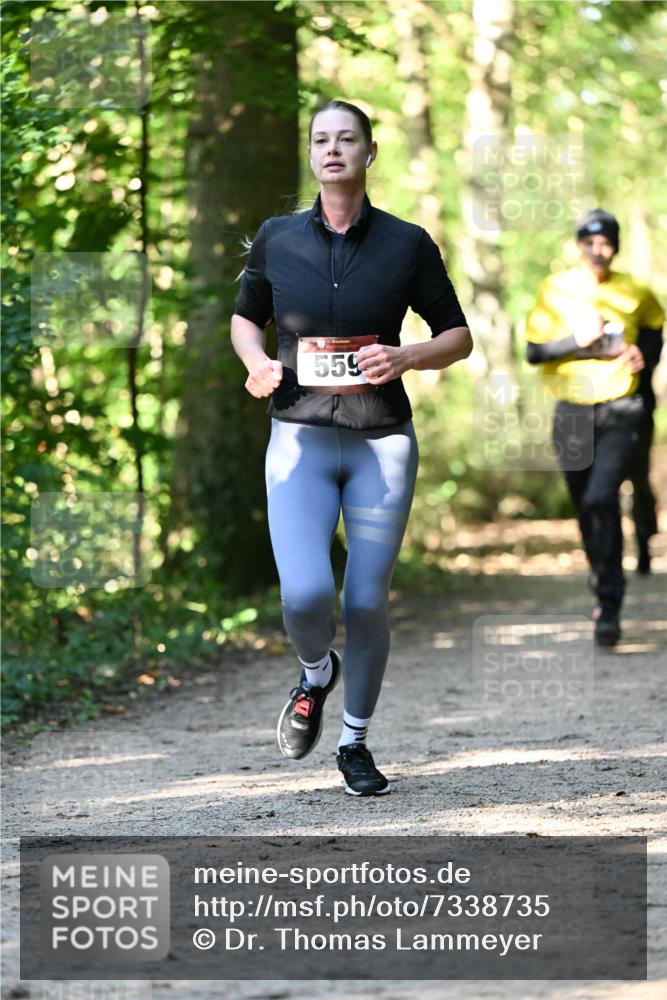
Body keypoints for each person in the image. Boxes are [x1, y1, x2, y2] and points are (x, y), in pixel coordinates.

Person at [230, 100, 471, 795]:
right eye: (320, 140)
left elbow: (458, 336)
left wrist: (407, 357)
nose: (332, 149)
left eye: (347, 139)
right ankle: (315, 675)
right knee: (305, 595)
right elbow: (245, 321)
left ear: (369, 151)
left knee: (364, 601)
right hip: (298, 440)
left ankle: (354, 742)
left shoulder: (406, 242)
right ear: (310, 154)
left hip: (381, 446)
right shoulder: (277, 238)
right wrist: (256, 364)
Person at [525, 208, 664, 646]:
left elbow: (655, 330)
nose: (597, 250)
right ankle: (602, 569)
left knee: (604, 497)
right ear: (578, 245)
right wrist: (576, 342)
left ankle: (609, 603)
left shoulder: (635, 290)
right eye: (589, 242)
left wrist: (646, 355)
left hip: (623, 405)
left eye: (606, 242)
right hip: (571, 412)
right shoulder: (556, 290)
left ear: (616, 246)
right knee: (587, 505)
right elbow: (533, 352)